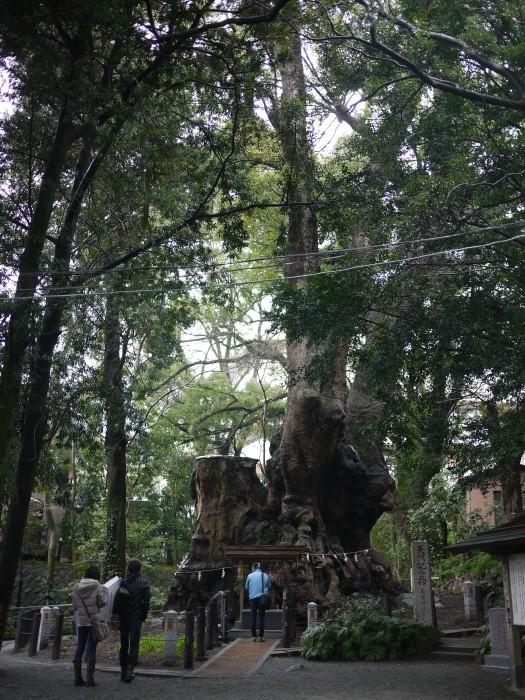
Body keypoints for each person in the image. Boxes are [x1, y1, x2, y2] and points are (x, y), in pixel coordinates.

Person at [114, 560, 150, 682]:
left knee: (124, 644)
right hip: (136, 617)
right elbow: (146, 603)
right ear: (140, 569)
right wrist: (143, 616)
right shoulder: (144, 583)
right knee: (134, 644)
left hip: (124, 617)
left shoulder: (122, 582)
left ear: (129, 569)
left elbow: (118, 600)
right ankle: (130, 670)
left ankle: (123, 670)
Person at [72, 565, 108, 687]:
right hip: (94, 621)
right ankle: (90, 679)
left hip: (81, 621)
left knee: (80, 647)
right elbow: (102, 603)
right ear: (97, 575)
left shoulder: (77, 587)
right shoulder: (98, 586)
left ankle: (77, 678)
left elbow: (74, 605)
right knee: (91, 648)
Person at [245, 562, 271, 641]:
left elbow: (246, 587)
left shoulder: (249, 576)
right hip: (262, 598)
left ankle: (253, 636)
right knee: (261, 617)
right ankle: (261, 636)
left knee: (253, 617)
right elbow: (269, 586)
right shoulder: (266, 576)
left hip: (252, 598)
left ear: (254, 568)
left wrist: (251, 592)